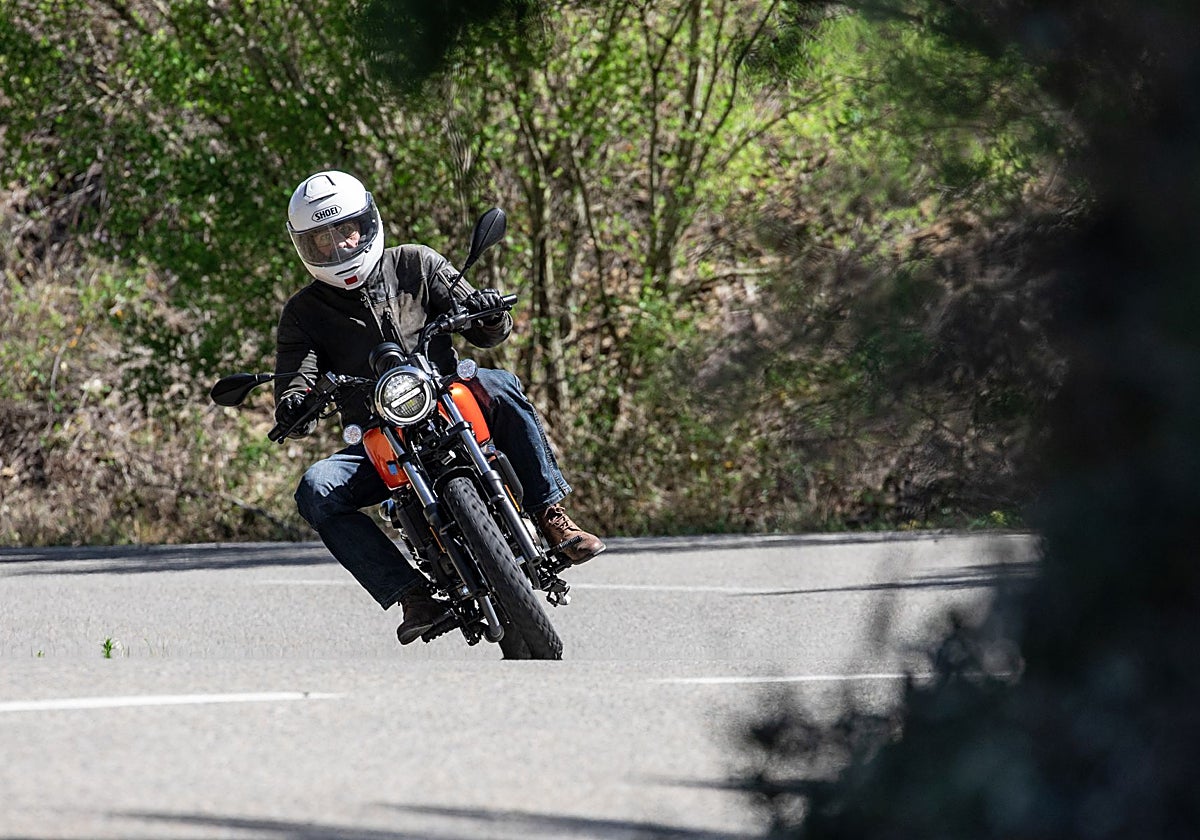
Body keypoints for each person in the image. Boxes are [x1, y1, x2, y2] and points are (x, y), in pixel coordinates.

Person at [274, 170, 606, 645]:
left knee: (504, 385)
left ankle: (552, 515)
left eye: (345, 231)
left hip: (449, 397)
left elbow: (483, 323)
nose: (339, 248)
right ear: (305, 246)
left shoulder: (416, 263)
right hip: (377, 436)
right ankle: (412, 594)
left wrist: (489, 312)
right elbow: (295, 378)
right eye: (322, 241)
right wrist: (293, 404)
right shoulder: (304, 314)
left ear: (366, 224)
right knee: (316, 488)